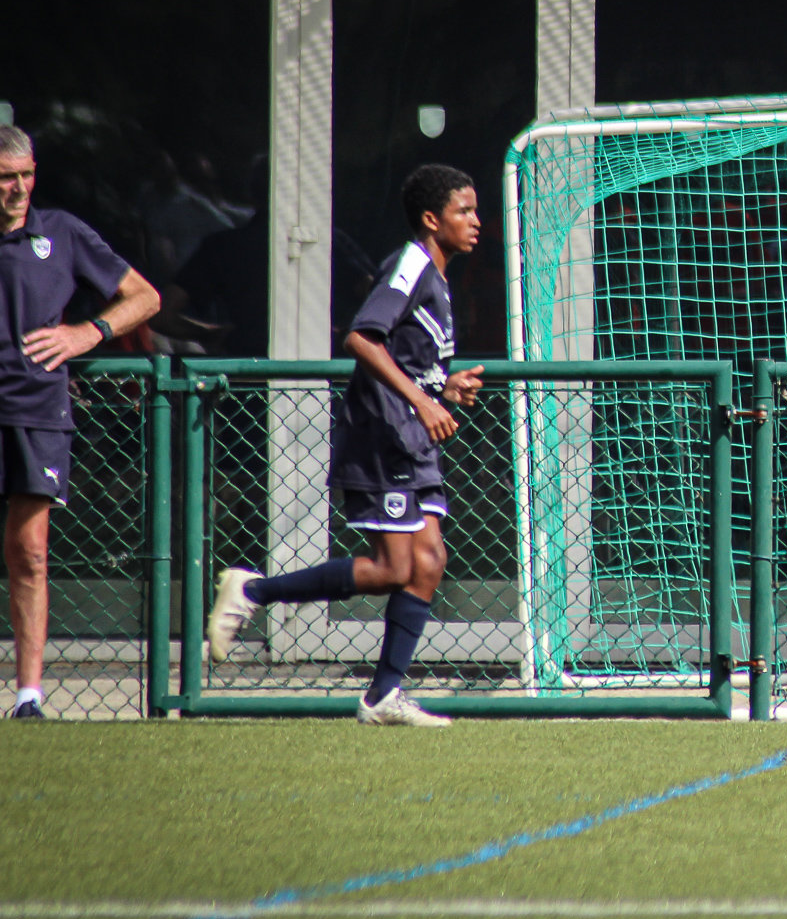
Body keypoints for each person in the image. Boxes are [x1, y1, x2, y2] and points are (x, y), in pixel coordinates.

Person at [204, 164, 486, 727]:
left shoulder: (437, 274)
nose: (476, 222)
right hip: (384, 433)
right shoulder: (410, 262)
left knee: (428, 564)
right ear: (432, 219)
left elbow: (407, 356)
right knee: (393, 567)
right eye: (464, 211)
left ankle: (383, 697)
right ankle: (253, 590)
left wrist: (442, 386)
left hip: (412, 436)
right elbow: (362, 336)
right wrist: (424, 401)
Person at [0, 126, 162, 718]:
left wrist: (85, 333)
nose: (18, 188)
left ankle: (28, 696)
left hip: (36, 410)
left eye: (26, 175)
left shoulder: (61, 233)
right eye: (4, 178)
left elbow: (144, 297)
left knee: (30, 553)